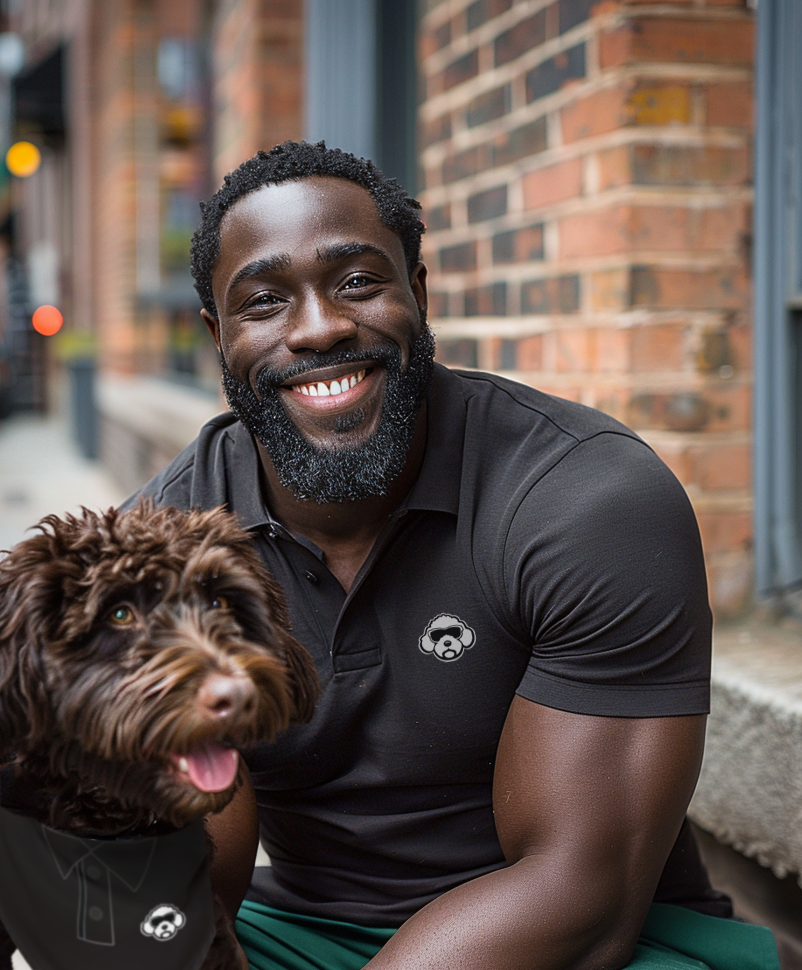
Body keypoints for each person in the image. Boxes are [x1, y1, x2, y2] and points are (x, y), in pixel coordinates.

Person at [127, 141, 779, 970]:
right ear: (221, 337)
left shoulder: (588, 498)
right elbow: (186, 882)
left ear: (417, 294)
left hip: (590, 947)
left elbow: (587, 896)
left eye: (358, 281)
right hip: (298, 935)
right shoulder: (160, 547)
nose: (321, 326)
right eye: (264, 302)